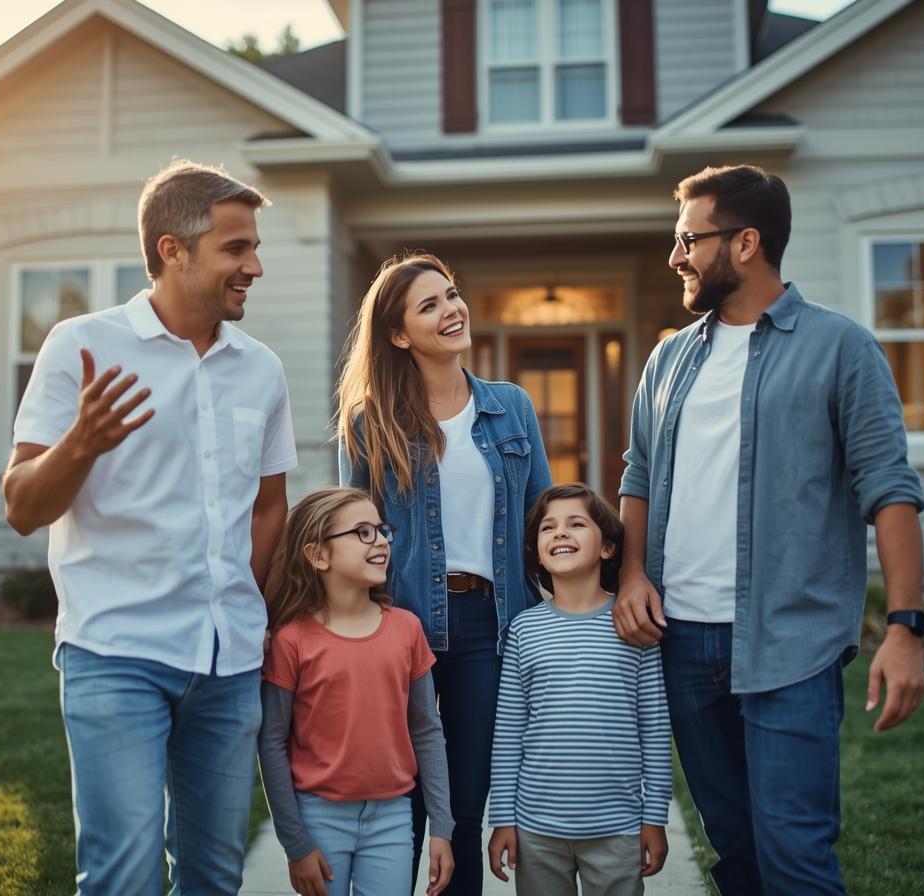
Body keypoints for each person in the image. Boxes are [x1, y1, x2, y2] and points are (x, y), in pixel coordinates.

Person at [614, 164, 924, 894]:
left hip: (790, 644)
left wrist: (907, 627)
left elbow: (889, 491)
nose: (676, 256)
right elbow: (638, 476)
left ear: (746, 242)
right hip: (683, 642)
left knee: (794, 858)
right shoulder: (668, 358)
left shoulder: (840, 348)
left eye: (689, 239)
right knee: (736, 853)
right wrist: (631, 574)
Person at [3, 160, 295, 895]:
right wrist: (81, 444)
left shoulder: (261, 370)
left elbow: (268, 506)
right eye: (236, 249)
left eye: (254, 248)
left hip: (228, 665)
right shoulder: (81, 346)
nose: (253, 266)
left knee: (213, 876)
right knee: (123, 875)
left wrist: (250, 605)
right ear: (173, 250)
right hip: (117, 653)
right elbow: (22, 506)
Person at [336, 253, 552, 894]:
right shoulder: (370, 422)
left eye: (451, 295)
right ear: (399, 334)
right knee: (396, 799)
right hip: (399, 625)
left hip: (490, 625)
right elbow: (358, 533)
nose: (451, 310)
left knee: (461, 801)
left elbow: (541, 518)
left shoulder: (510, 407)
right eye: (428, 305)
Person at [258, 487, 455, 896]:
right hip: (318, 817)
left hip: (393, 817)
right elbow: (272, 742)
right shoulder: (292, 641)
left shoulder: (407, 629)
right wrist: (296, 844)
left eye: (382, 530)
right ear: (318, 555)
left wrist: (442, 827)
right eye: (362, 533)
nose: (381, 541)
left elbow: (427, 730)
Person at [488, 483, 671, 896]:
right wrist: (503, 819)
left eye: (576, 524)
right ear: (536, 550)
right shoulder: (524, 630)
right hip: (536, 830)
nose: (560, 534)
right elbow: (508, 734)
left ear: (607, 547)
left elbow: (655, 729)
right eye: (548, 528)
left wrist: (654, 818)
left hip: (617, 828)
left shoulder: (631, 624)